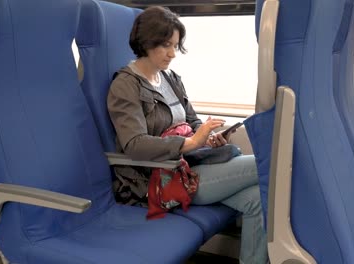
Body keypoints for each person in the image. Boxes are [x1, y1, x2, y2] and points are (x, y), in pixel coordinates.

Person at [107, 6, 268, 264]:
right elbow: (135, 146)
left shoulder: (170, 78)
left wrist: (208, 136)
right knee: (269, 165)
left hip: (188, 167)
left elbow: (191, 121)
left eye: (175, 45)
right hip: (156, 180)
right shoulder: (125, 85)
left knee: (258, 199)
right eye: (166, 46)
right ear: (146, 42)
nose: (173, 53)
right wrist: (191, 142)